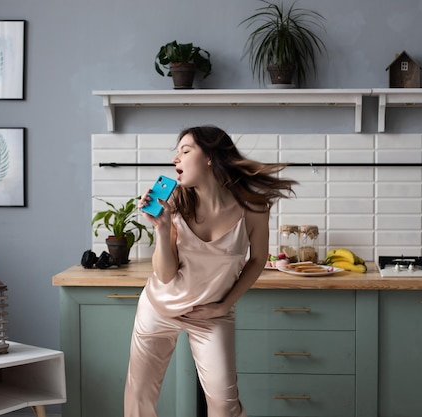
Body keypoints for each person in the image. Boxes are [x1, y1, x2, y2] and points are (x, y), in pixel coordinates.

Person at [124, 125, 297, 417]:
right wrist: (163, 229)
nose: (175, 159)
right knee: (139, 397)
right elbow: (165, 275)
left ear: (209, 157)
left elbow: (256, 261)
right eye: (176, 153)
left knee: (224, 404)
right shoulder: (175, 202)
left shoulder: (253, 207)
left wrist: (224, 305)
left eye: (185, 151)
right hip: (159, 307)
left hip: (212, 313)